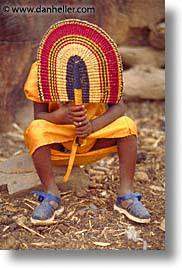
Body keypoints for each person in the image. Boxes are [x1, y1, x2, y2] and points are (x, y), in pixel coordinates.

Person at [24, 61, 150, 225]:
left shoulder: (102, 63)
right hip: (59, 144)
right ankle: (51, 194)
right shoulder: (42, 68)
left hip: (94, 138)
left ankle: (125, 194)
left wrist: (92, 126)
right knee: (36, 130)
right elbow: (38, 116)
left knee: (127, 126)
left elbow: (119, 108)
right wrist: (59, 116)